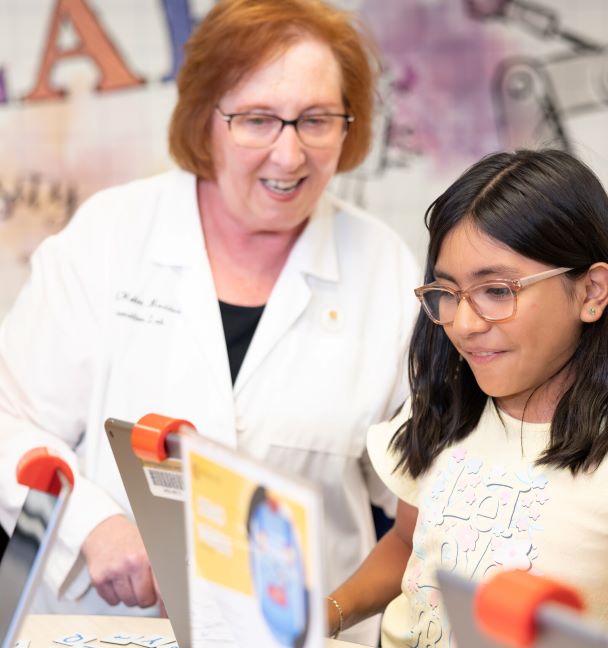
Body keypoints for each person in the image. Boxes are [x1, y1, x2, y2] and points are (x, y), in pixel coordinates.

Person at [0, 0, 419, 643]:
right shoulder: (109, 236)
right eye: (257, 120)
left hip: (305, 635)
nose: (289, 155)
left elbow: (420, 490)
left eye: (316, 120)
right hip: (111, 627)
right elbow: (10, 421)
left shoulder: (384, 267)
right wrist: (93, 527)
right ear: (205, 118)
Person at [325, 149, 608, 647]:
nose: (465, 323)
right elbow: (406, 543)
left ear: (591, 292)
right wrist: (329, 613)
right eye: (448, 293)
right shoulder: (445, 406)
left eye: (497, 291)